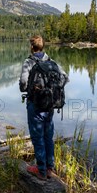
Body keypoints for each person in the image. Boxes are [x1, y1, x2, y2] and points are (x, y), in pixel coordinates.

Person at [19, 35, 68, 180]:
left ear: (31, 47)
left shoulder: (29, 62)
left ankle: (40, 169)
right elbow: (65, 77)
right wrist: (52, 90)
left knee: (37, 136)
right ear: (43, 47)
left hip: (35, 104)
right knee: (48, 136)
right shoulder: (52, 62)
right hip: (50, 106)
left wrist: (28, 89)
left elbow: (23, 82)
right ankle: (49, 168)